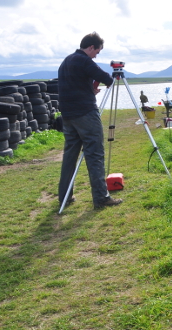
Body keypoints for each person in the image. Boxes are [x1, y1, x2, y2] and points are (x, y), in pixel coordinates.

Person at [58, 32, 122, 209]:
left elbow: (73, 84)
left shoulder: (66, 61)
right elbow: (107, 78)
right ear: (91, 47)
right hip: (85, 113)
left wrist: (88, 88)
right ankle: (101, 197)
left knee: (70, 156)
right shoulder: (84, 60)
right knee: (94, 154)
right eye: (97, 52)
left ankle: (65, 196)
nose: (96, 56)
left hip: (68, 116)